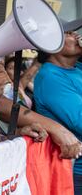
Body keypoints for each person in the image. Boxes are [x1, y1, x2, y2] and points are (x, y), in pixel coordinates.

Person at [33, 18, 82, 194]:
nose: (76, 35)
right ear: (51, 44)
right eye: (68, 33)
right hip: (76, 172)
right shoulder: (51, 78)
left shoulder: (77, 69)